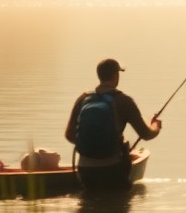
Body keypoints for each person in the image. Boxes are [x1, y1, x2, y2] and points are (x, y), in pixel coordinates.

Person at [64, 59, 162, 192]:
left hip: (85, 169)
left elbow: (69, 135)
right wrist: (155, 125)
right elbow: (146, 134)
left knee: (88, 207)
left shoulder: (83, 98)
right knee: (116, 208)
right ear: (115, 75)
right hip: (113, 168)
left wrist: (91, 146)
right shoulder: (124, 101)